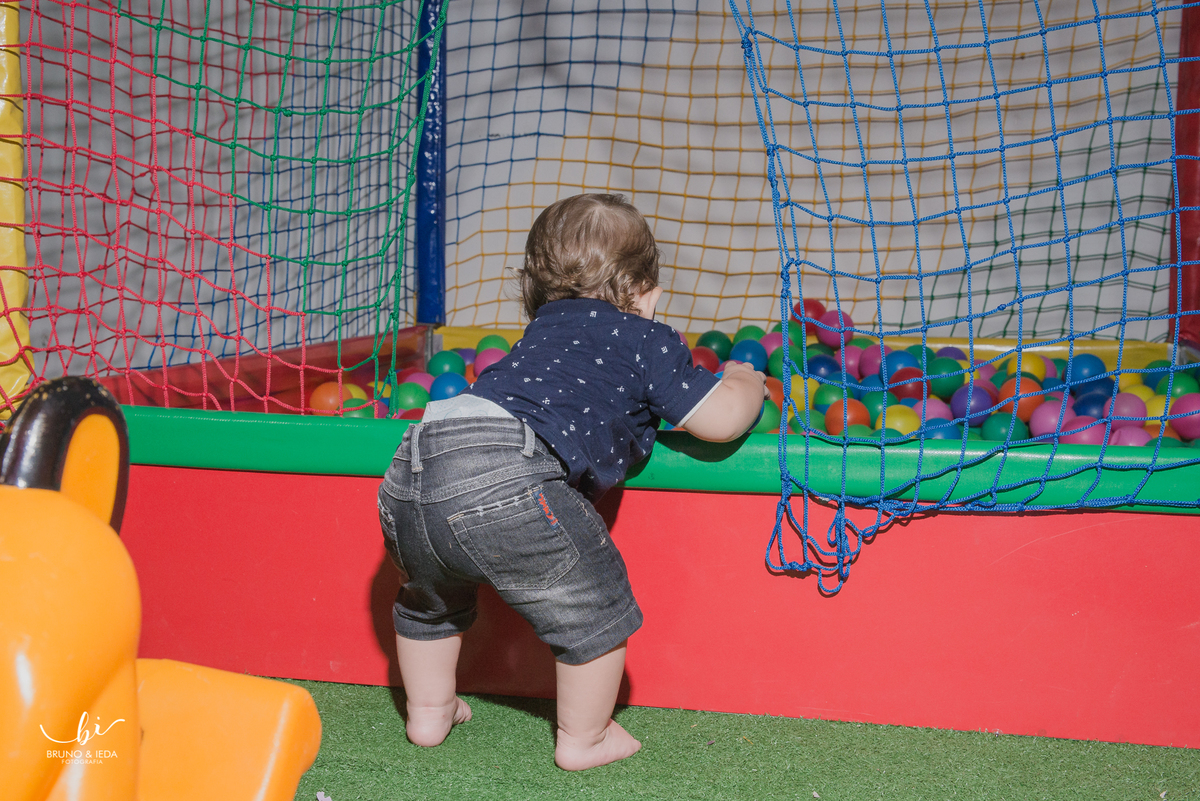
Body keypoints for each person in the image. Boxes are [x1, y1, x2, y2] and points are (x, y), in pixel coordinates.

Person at [377, 193, 767, 770]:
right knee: (595, 607)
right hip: (504, 473)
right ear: (647, 294)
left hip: (413, 463)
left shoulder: (536, 336)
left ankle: (429, 712)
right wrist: (744, 379)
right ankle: (585, 738)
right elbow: (722, 420)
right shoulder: (645, 337)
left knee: (428, 604)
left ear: (535, 294)